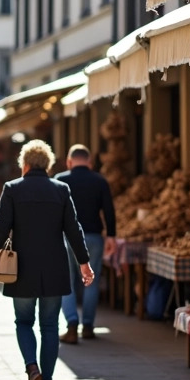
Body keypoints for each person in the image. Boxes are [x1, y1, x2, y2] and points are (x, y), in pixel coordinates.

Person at [0, 140, 93, 380]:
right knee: (49, 326)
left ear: (24, 164)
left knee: (23, 322)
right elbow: (73, 228)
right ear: (48, 164)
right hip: (54, 268)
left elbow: (2, 226)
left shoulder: (12, 189)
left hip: (20, 268)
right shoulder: (61, 189)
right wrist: (84, 262)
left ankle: (32, 368)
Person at [57, 144, 117, 344]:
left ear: (69, 161)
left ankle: (72, 324)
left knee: (67, 281)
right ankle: (89, 326)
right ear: (90, 163)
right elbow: (109, 210)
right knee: (92, 280)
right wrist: (111, 236)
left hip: (66, 238)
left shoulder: (60, 180)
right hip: (93, 237)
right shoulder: (100, 181)